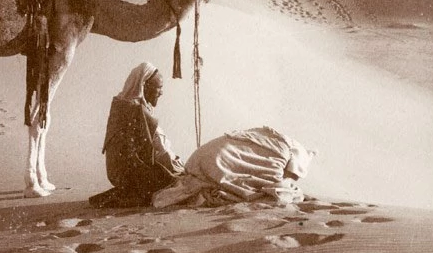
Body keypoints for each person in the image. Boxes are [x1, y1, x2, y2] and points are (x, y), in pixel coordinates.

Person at [88, 63, 185, 208]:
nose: (161, 92)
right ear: (144, 86)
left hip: (119, 175)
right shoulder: (137, 111)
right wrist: (181, 170)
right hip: (134, 176)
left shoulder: (121, 105)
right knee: (185, 185)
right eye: (159, 87)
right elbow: (160, 150)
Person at [152, 126, 315, 208]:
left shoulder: (268, 139)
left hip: (198, 158)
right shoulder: (282, 156)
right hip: (217, 160)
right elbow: (282, 187)